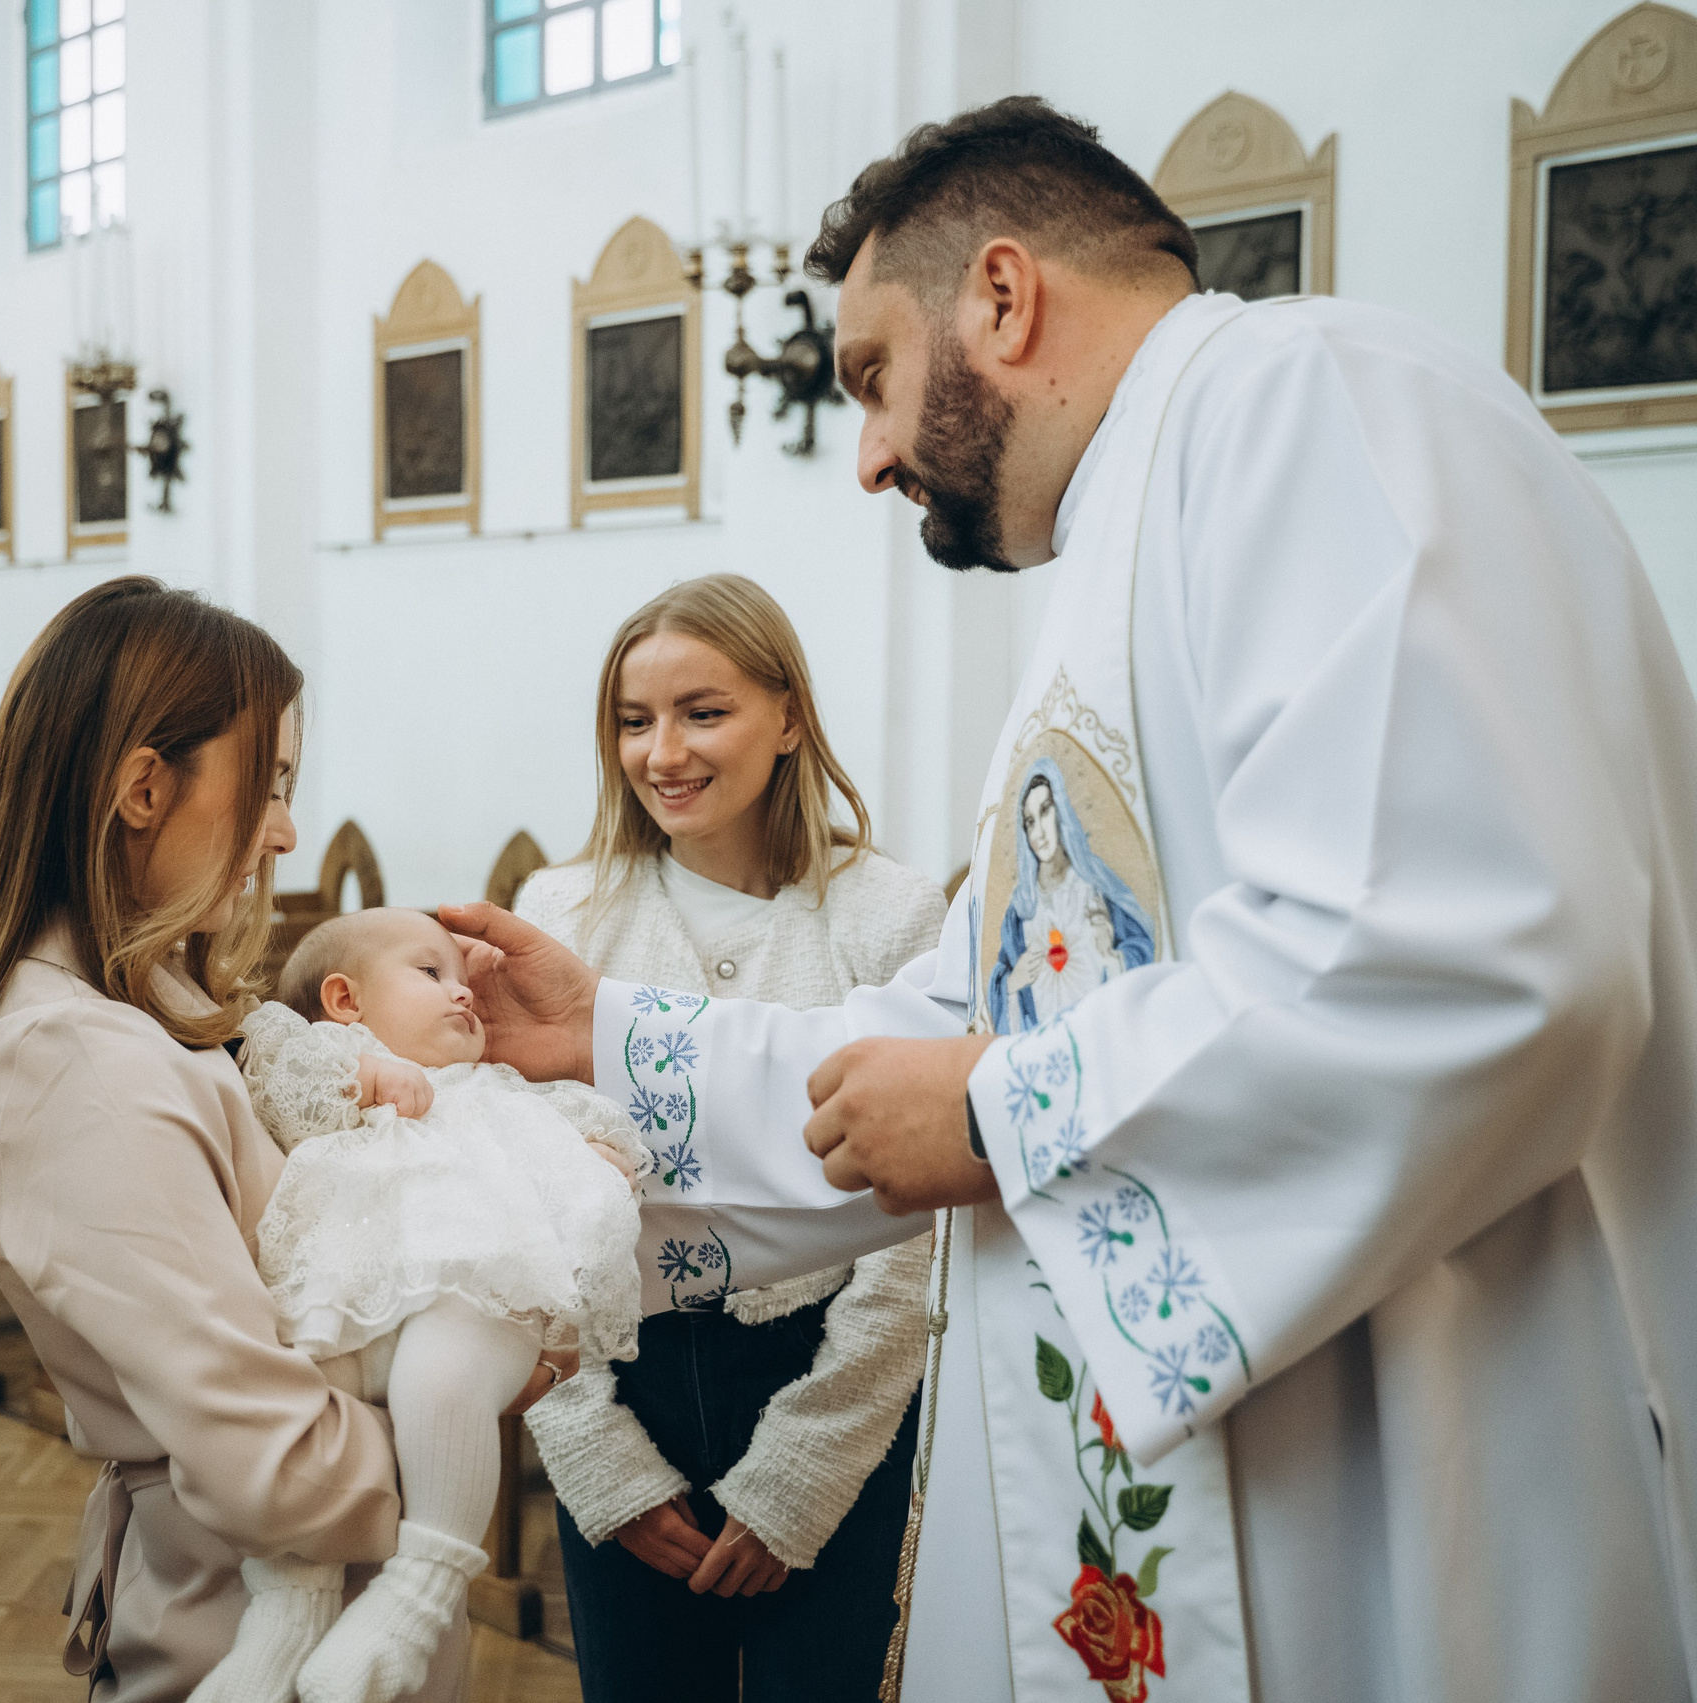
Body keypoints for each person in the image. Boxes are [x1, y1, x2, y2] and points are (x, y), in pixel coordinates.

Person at [444, 97, 1697, 1703]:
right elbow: (964, 1025)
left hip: (1402, 1508)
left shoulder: (1308, 399)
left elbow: (1482, 954)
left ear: (1005, 295)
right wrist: (610, 1037)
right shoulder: (1123, 545)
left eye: (874, 376)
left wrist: (1006, 1113)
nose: (874, 452)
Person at [0, 578, 574, 1703]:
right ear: (144, 787)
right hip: (236, 1629)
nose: (285, 826)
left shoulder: (148, 1011)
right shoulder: (75, 1062)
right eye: (270, 782)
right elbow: (274, 1461)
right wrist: (462, 1393)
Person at [511, 573, 946, 1701]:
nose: (662, 751)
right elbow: (517, 1208)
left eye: (703, 711)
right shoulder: (562, 915)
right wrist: (596, 1454)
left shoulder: (886, 915)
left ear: (788, 717)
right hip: (624, 1379)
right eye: (632, 719)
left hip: (829, 1379)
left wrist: (805, 1465)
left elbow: (913, 1226)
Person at [198, 907, 645, 1703]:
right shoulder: (322, 1050)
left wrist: (607, 1155)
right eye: (431, 973)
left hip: (478, 1286)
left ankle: (420, 1590)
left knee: (443, 1383)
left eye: (462, 979)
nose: (464, 993)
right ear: (343, 999)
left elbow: (589, 1123)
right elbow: (275, 1086)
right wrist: (358, 1077)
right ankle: (289, 1605)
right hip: (343, 1289)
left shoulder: (496, 1086)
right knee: (304, 1388)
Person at [986, 762, 1153, 1032]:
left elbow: (1144, 952)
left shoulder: (1096, 886)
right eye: (1029, 822)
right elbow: (996, 992)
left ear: (1061, 810)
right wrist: (1013, 983)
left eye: (1044, 812)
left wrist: (1112, 957)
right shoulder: (1020, 912)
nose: (1038, 832)